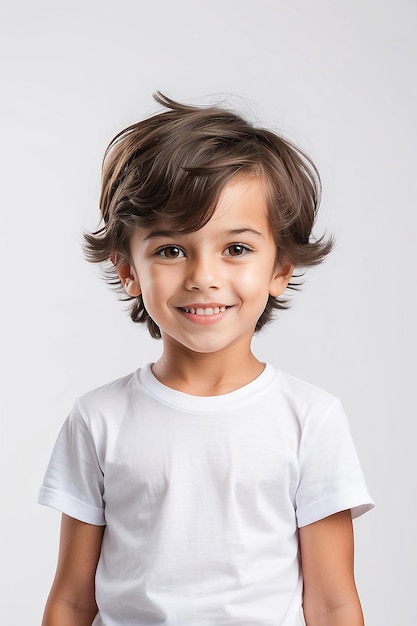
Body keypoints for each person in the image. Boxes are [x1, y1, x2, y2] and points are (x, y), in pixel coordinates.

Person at [39, 93, 374, 626]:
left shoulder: (311, 419)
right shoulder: (98, 419)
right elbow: (73, 600)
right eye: (171, 249)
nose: (203, 276)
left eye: (236, 249)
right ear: (129, 270)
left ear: (280, 268)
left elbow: (333, 602)